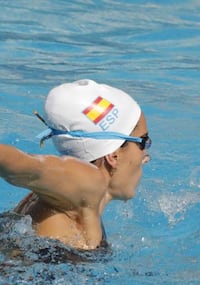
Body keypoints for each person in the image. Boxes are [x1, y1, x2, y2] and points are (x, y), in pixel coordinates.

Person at [0, 79, 151, 250]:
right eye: (143, 142)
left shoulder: (72, 198)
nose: (146, 157)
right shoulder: (88, 182)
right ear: (113, 155)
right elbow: (26, 165)